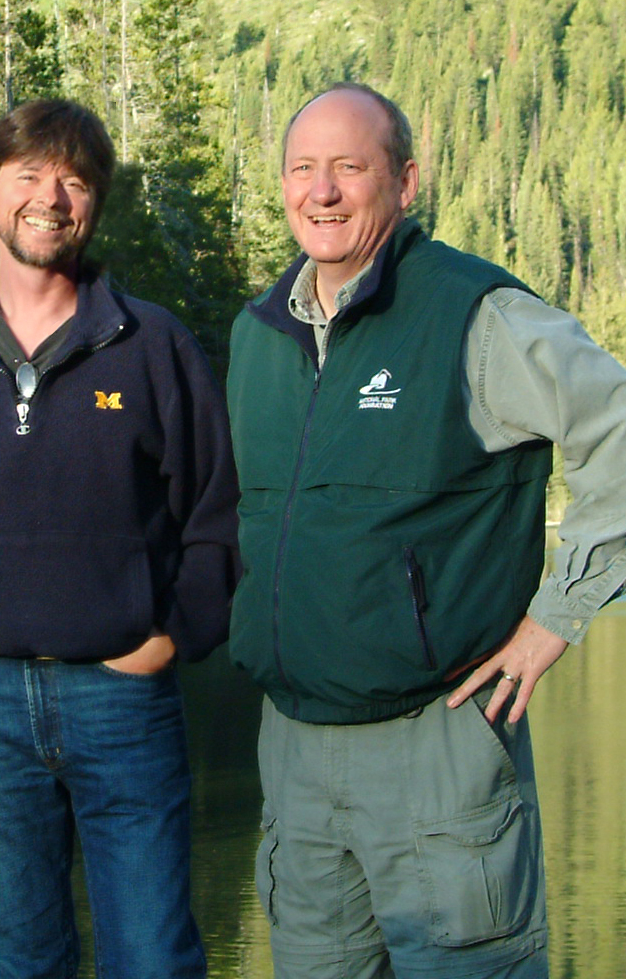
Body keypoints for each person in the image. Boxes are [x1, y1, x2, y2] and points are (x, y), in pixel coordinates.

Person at [226, 82, 626, 979]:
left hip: (434, 745)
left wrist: (555, 617)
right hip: (293, 751)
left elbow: (619, 427)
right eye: (302, 168)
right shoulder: (258, 334)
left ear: (404, 182)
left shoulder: (474, 314)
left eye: (348, 167)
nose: (320, 191)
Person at [0, 99, 239, 979]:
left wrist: (171, 636)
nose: (50, 197)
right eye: (28, 174)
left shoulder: (152, 347)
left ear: (95, 204)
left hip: (124, 703)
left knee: (155, 960)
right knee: (14, 962)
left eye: (74, 179)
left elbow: (215, 515)